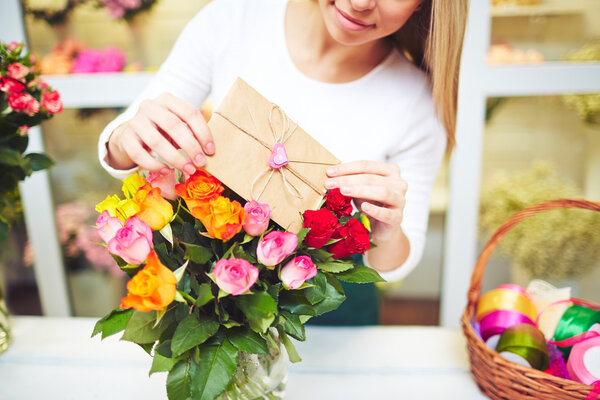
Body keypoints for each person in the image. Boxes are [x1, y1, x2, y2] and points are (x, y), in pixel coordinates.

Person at [98, 0, 468, 324]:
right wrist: (125, 138)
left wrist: (386, 231)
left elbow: (400, 260)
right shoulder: (235, 16)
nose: (359, 3)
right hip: (212, 305)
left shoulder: (419, 100)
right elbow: (120, 140)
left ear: (424, 3)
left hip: (331, 313)